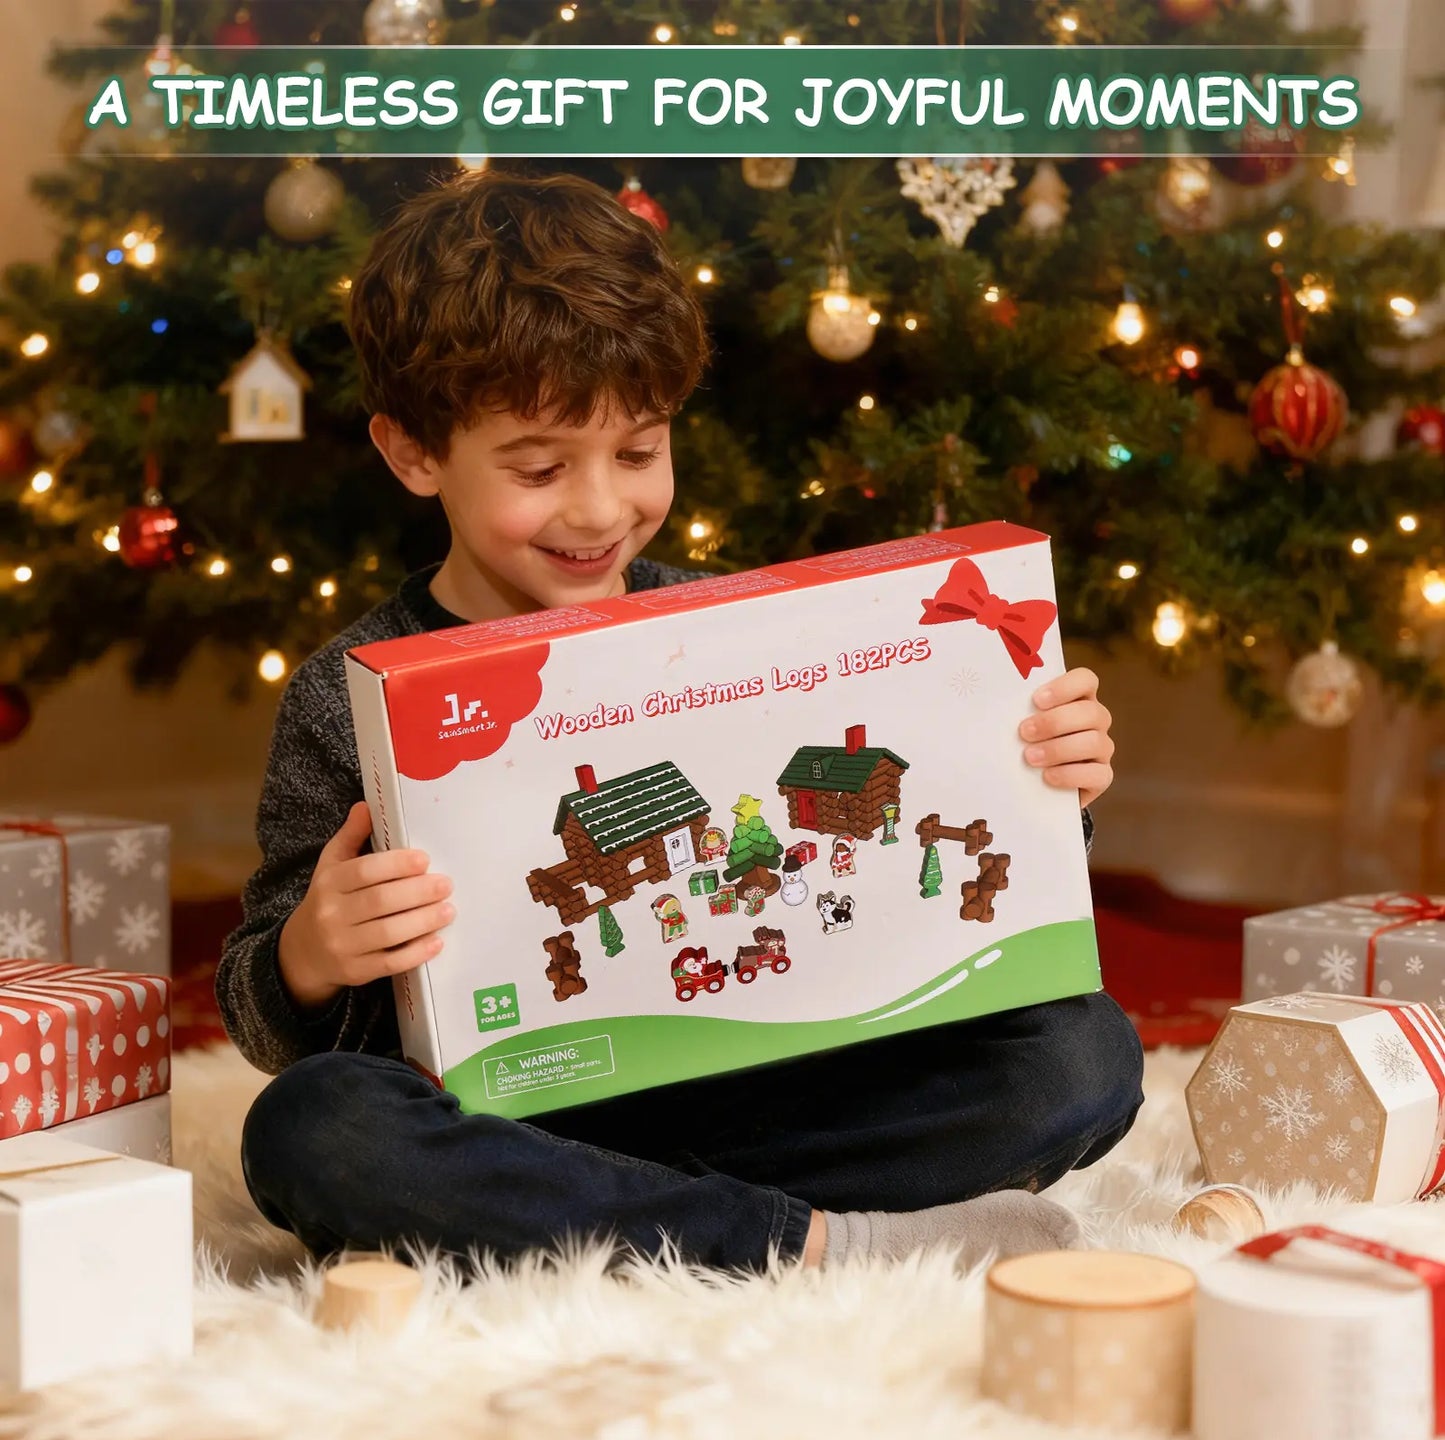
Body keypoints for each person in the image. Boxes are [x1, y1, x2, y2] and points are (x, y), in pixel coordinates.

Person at [219, 169, 1142, 1277]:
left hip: (766, 1080)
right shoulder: (340, 692)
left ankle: (645, 1225)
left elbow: (933, 888)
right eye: (538, 466)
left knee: (1081, 1050)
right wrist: (312, 953)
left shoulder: (731, 628)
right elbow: (264, 1021)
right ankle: (806, 1241)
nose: (599, 508)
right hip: (525, 1124)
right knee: (313, 1128)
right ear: (414, 451)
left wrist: (1042, 784)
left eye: (638, 451)